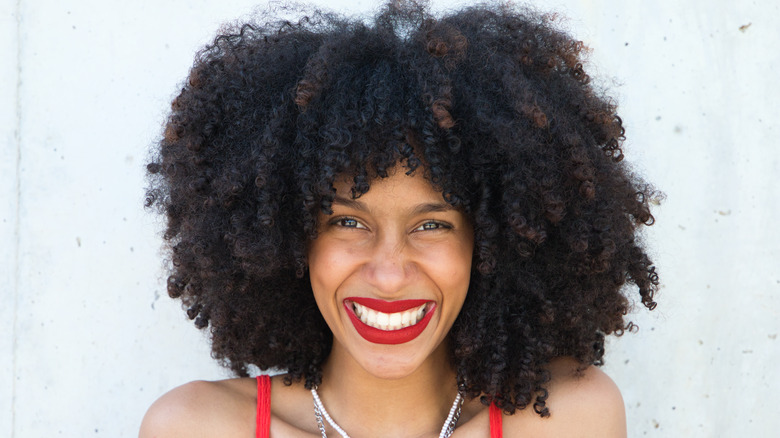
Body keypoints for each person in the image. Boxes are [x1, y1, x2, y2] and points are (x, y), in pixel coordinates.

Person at [140, 1, 659, 436]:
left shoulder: (568, 419)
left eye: (432, 225)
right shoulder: (194, 426)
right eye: (348, 222)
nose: (389, 275)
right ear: (286, 240)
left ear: (496, 246)